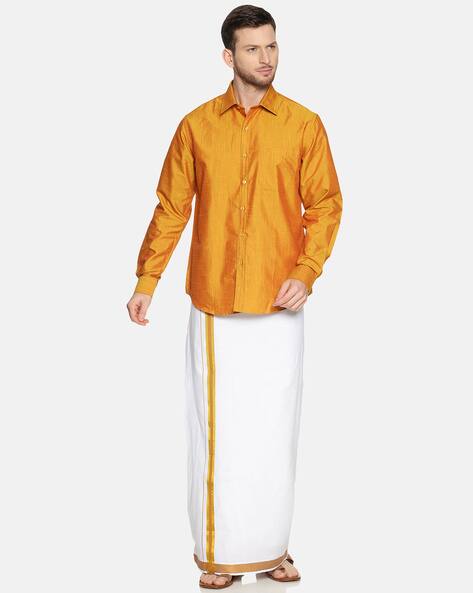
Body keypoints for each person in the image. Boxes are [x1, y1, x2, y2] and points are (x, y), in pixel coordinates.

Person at [127, 4, 343, 589]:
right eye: (253, 48)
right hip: (215, 301)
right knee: (218, 432)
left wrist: (307, 270)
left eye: (272, 46)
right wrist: (147, 281)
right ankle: (219, 556)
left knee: (274, 429)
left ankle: (271, 550)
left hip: (280, 301)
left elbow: (326, 206)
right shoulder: (197, 126)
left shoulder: (303, 124)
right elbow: (172, 208)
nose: (266, 58)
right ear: (229, 56)